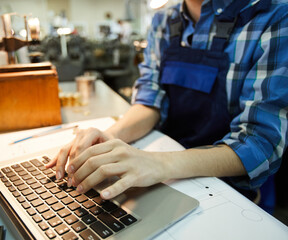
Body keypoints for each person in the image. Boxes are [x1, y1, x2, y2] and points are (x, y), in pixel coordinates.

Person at [46, 0, 288, 201]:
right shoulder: (163, 20)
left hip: (228, 190)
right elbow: (150, 101)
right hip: (165, 175)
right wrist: (109, 137)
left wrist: (158, 163)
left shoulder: (273, 16)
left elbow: (259, 143)